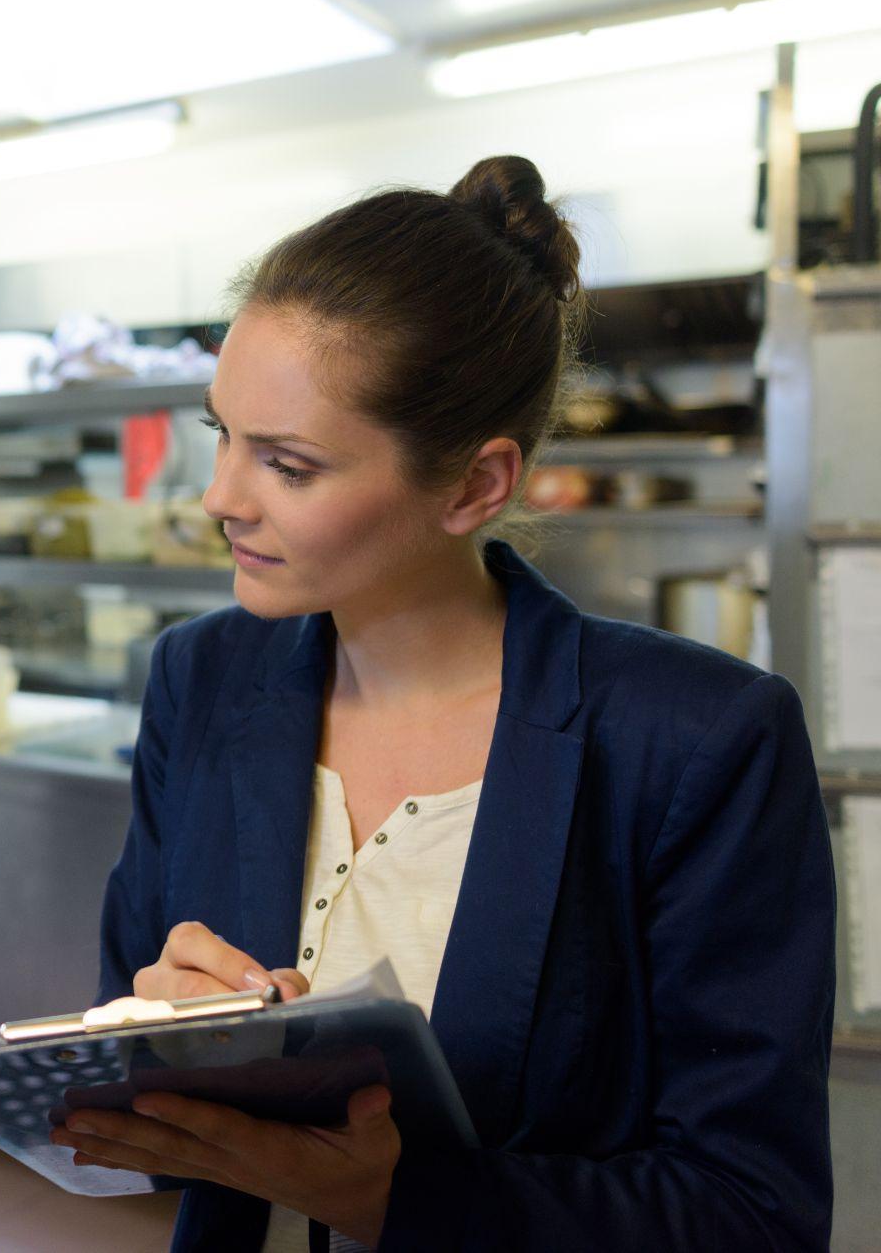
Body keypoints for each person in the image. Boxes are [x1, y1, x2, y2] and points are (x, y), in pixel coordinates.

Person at [59, 155, 834, 1251]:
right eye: (218, 434)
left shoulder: (698, 743)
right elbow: (122, 1032)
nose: (219, 499)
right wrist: (155, 1024)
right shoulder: (204, 678)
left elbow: (752, 1212)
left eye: (286, 462)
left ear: (474, 483)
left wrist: (396, 1201)